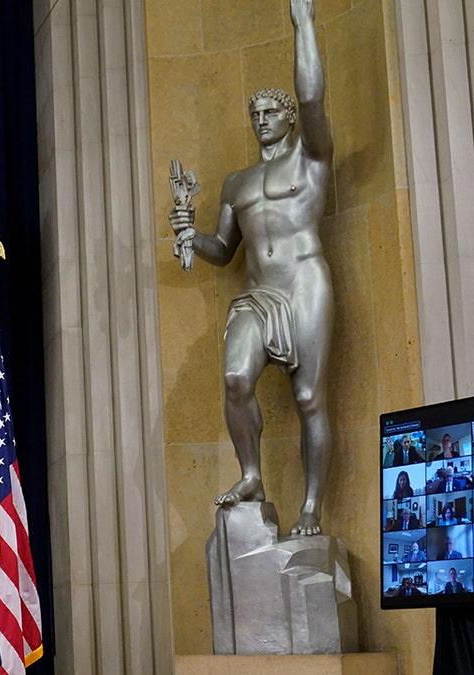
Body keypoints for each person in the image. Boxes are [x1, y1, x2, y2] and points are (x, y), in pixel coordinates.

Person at [169, 0, 332, 537]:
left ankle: (311, 507)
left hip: (304, 284)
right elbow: (223, 249)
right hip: (259, 295)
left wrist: (302, 22)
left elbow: (312, 94)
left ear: (288, 118)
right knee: (236, 378)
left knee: (308, 398)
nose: (261, 120)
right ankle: (253, 476)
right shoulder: (237, 182)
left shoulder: (310, 157)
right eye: (255, 114)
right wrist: (191, 233)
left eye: (270, 112)